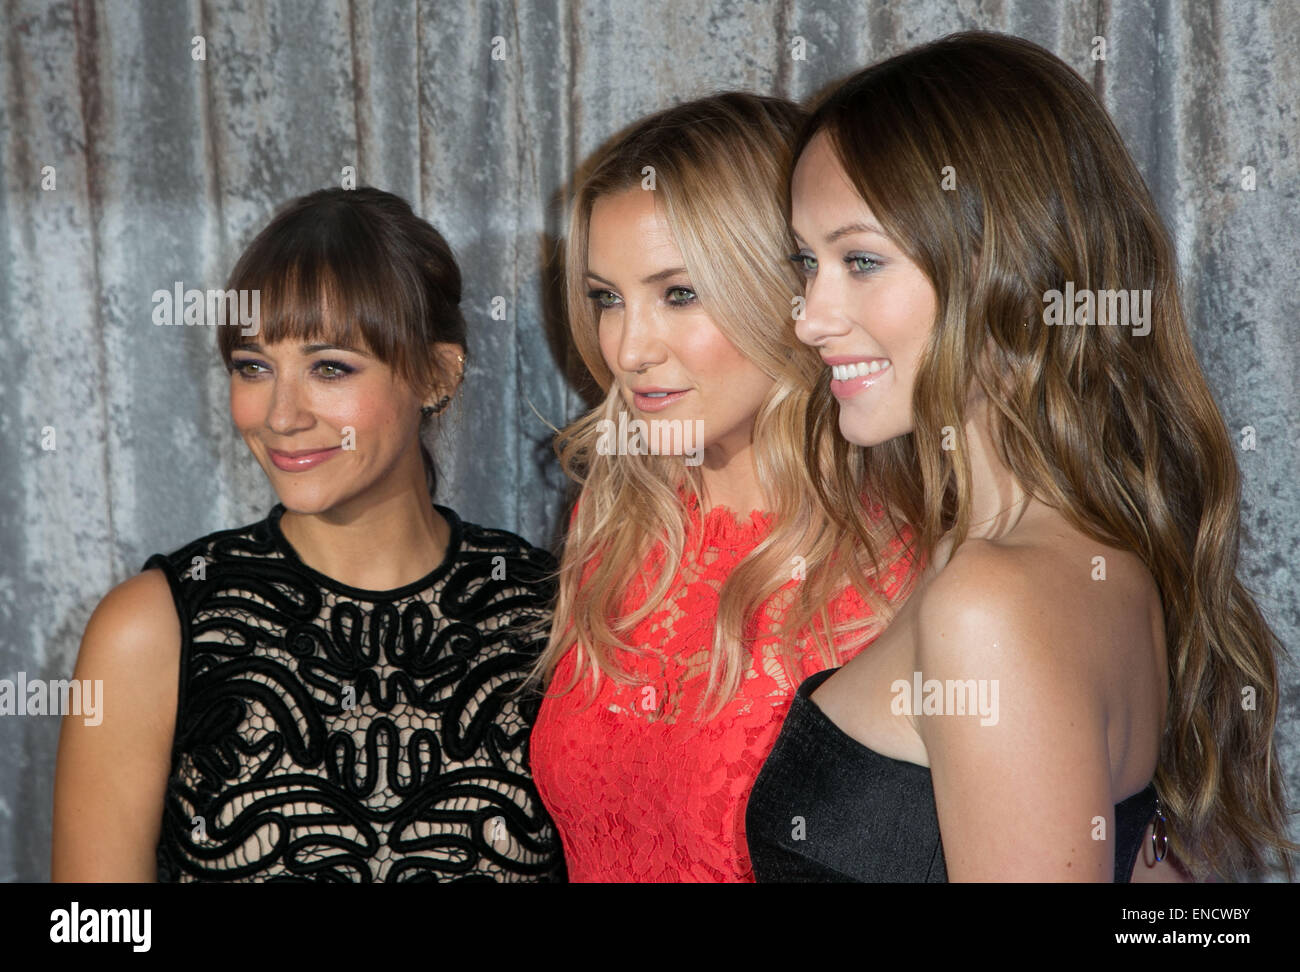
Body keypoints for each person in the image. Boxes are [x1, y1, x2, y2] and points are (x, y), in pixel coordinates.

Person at [745, 31, 1297, 882]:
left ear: (1003, 266)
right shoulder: (1099, 553)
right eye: (807, 264)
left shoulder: (992, 599)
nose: (809, 316)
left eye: (860, 260)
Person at [52, 186, 565, 882]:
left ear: (438, 373)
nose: (281, 415)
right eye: (253, 368)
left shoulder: (550, 611)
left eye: (329, 367)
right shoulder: (153, 628)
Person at [526, 92, 914, 882]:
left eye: (679, 293)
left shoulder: (913, 559)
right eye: (607, 298)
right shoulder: (616, 524)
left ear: (791, 293)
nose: (627, 348)